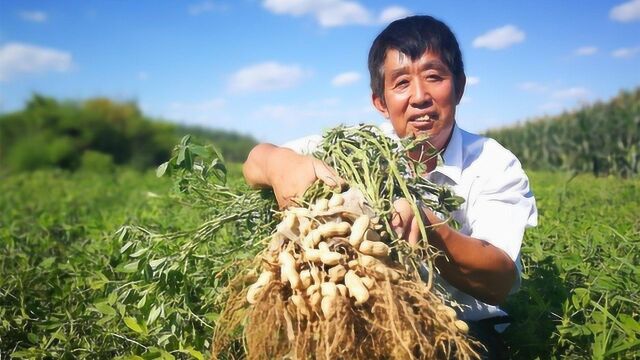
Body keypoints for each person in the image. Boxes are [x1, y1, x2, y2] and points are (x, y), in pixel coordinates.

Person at [242, 15, 537, 359]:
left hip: (461, 332)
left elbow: (498, 281)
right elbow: (255, 160)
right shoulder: (357, 148)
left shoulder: (492, 163)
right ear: (380, 102)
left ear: (459, 87)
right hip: (364, 321)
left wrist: (428, 228)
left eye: (434, 77)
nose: (420, 96)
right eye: (400, 83)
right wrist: (282, 163)